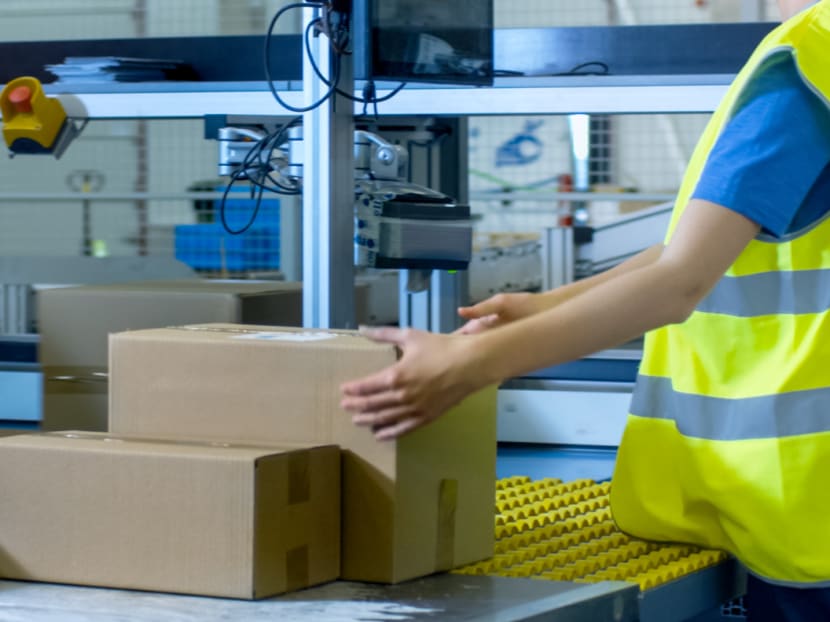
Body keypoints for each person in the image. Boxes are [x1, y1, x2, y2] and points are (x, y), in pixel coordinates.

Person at [341, 1, 830, 619]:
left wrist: (473, 363)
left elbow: (681, 282)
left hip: (803, 506)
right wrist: (548, 305)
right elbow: (695, 249)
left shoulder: (807, 65)